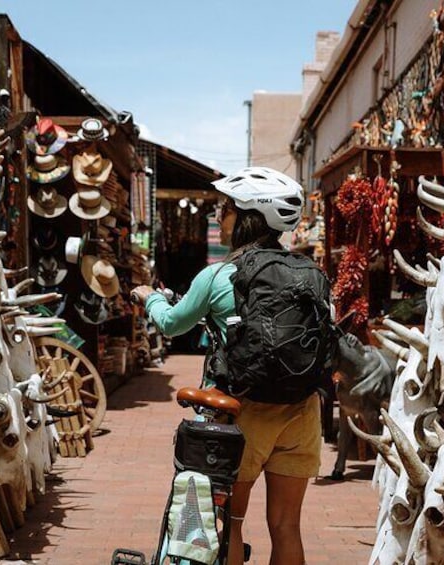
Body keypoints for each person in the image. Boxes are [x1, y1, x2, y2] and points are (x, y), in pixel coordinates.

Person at [131, 166, 321, 565]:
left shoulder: (218, 274)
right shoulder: (312, 275)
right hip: (302, 410)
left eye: (225, 207)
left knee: (230, 522)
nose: (219, 215)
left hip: (242, 411)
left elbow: (170, 323)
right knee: (287, 525)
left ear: (247, 216)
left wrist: (149, 297)